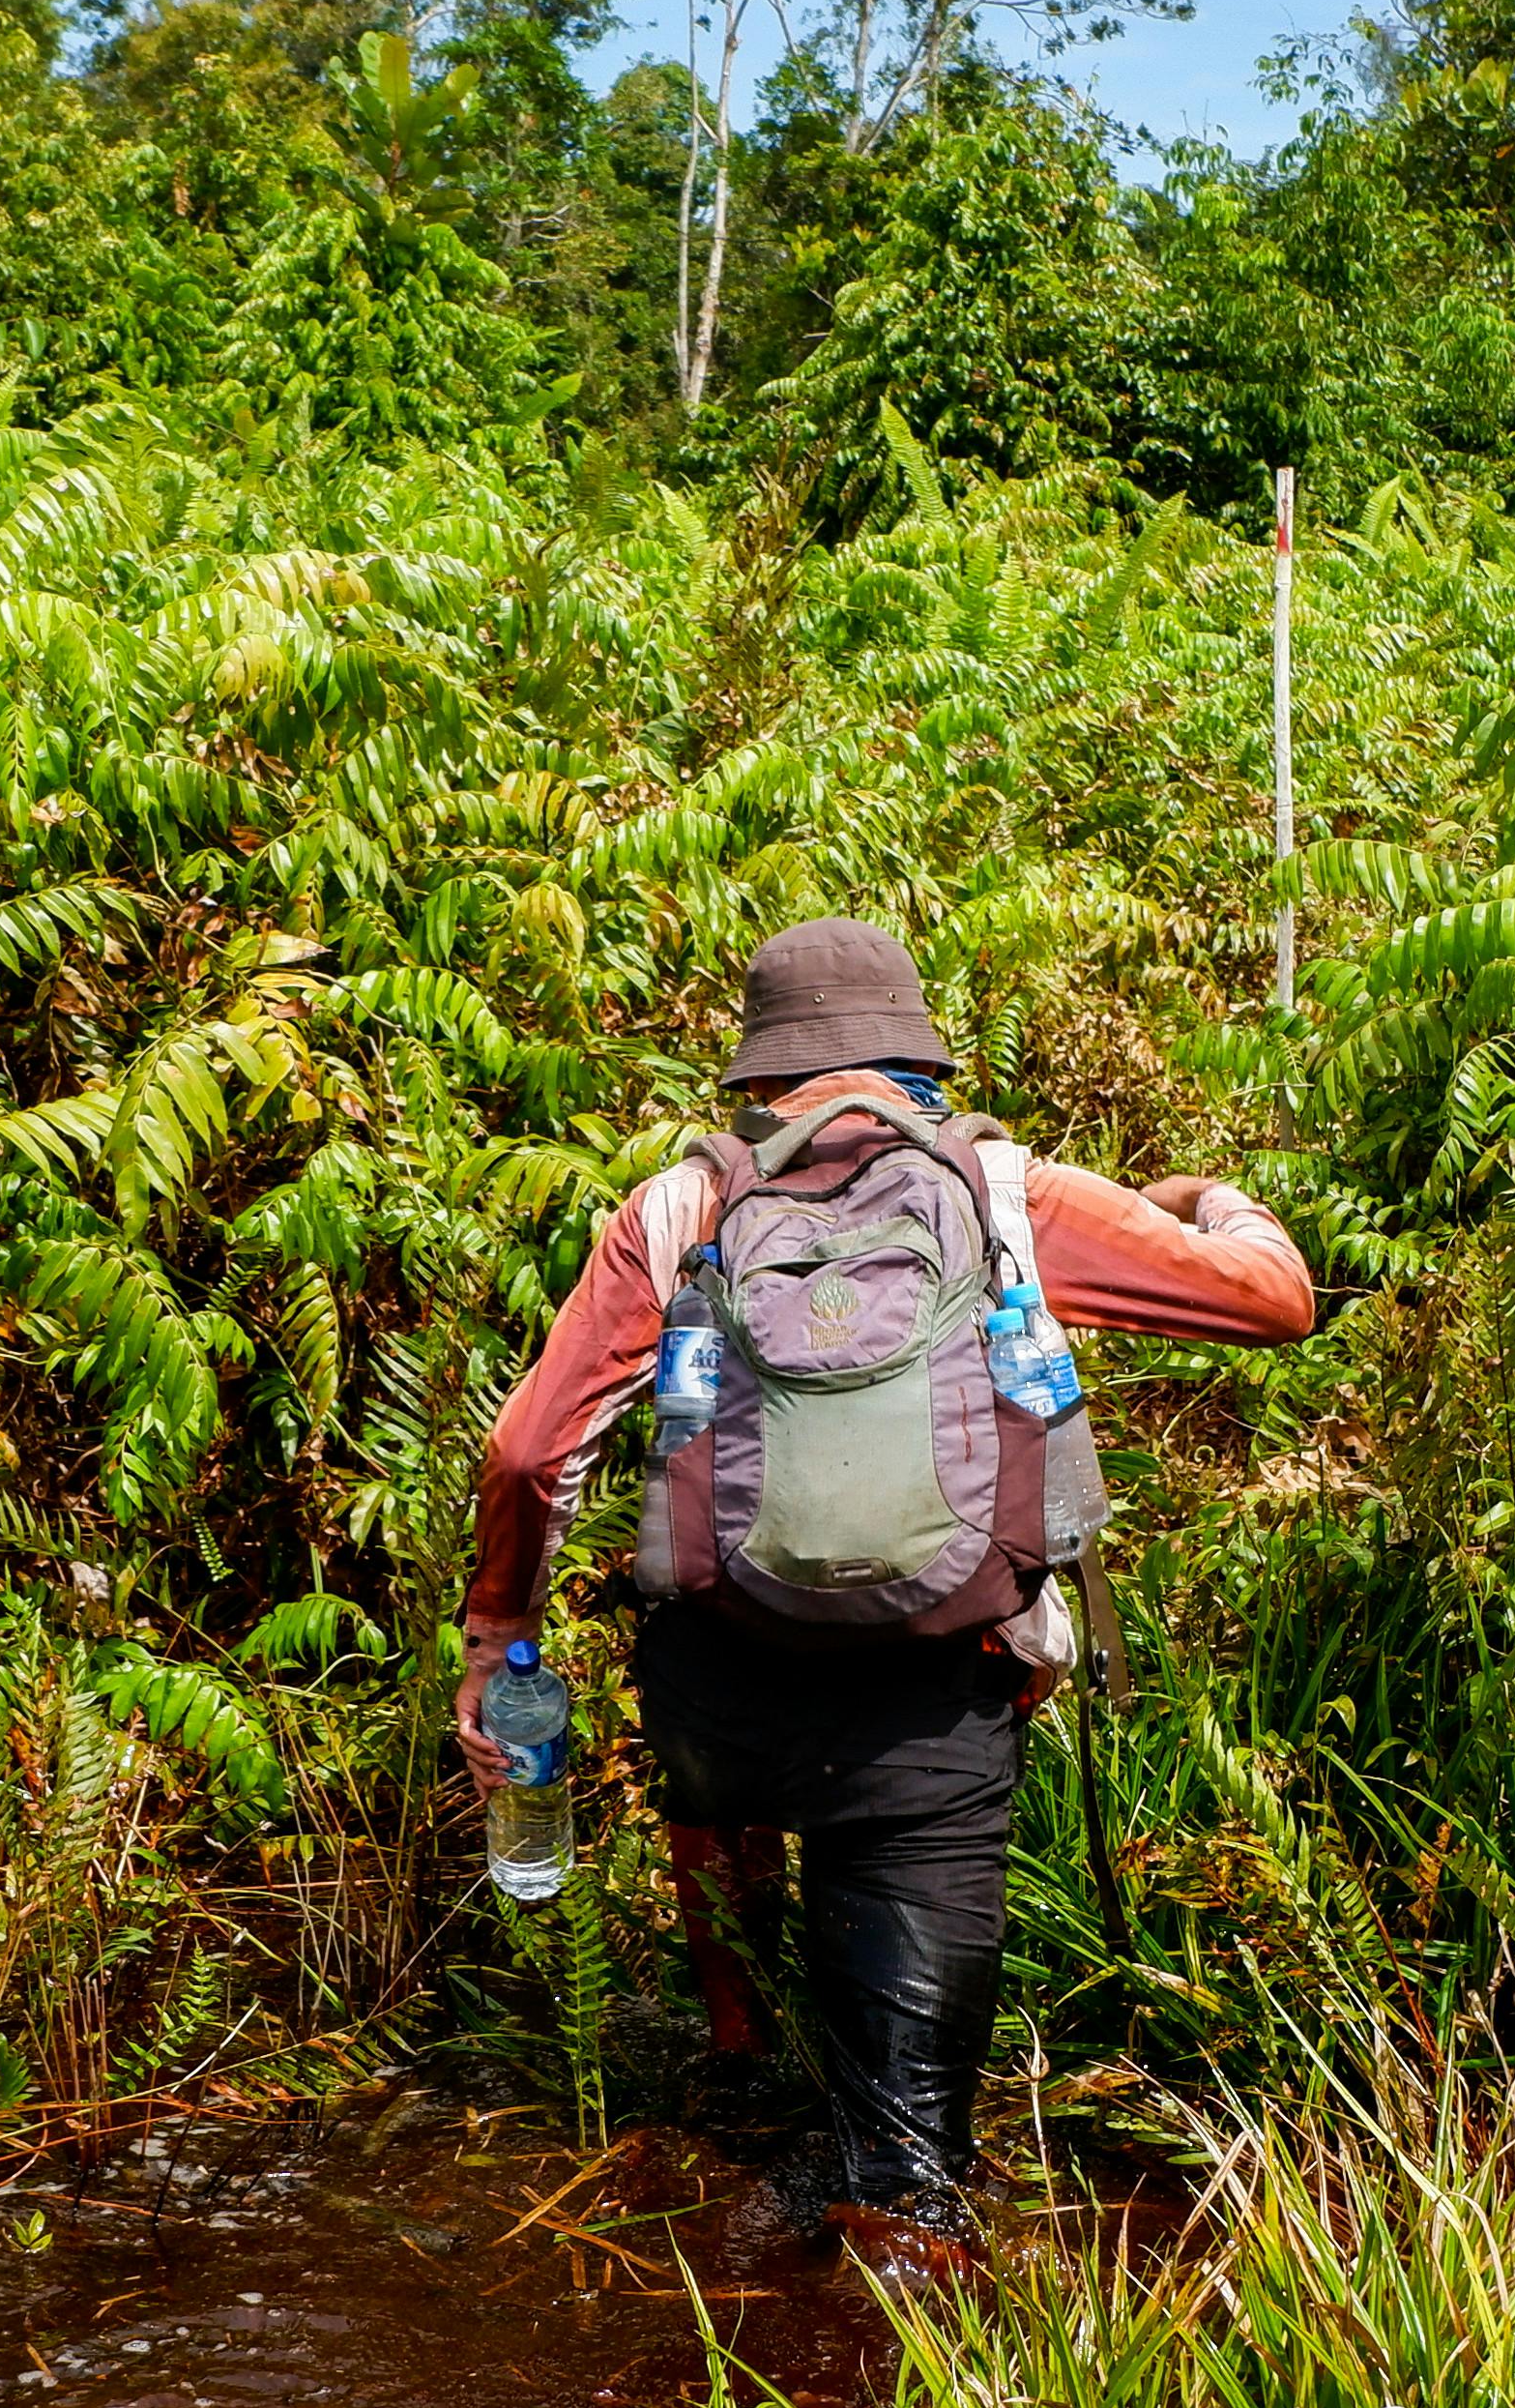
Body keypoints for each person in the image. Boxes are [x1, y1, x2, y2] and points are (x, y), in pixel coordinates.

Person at [457, 917, 1313, 2277]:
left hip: (720, 1688)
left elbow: (527, 1450)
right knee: (908, 2166)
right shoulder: (1005, 1190)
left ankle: (740, 2072)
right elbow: (1275, 1300)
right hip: (938, 1703)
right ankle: (890, 2342)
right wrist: (1215, 1203)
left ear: (758, 1076)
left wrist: (501, 1630)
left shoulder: (682, 1207)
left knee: (713, 1777)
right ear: (916, 1057)